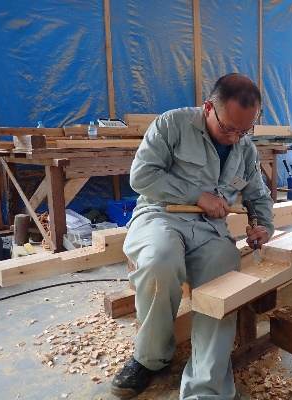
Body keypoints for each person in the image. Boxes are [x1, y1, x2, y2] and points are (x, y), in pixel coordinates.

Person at [111, 73, 275, 399]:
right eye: (228, 129)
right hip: (161, 216)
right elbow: (142, 176)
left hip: (209, 230)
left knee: (224, 274)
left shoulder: (244, 149)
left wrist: (263, 226)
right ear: (208, 108)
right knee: (159, 260)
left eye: (244, 131)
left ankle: (206, 387)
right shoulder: (172, 125)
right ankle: (150, 357)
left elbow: (257, 196)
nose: (234, 138)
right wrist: (197, 196)